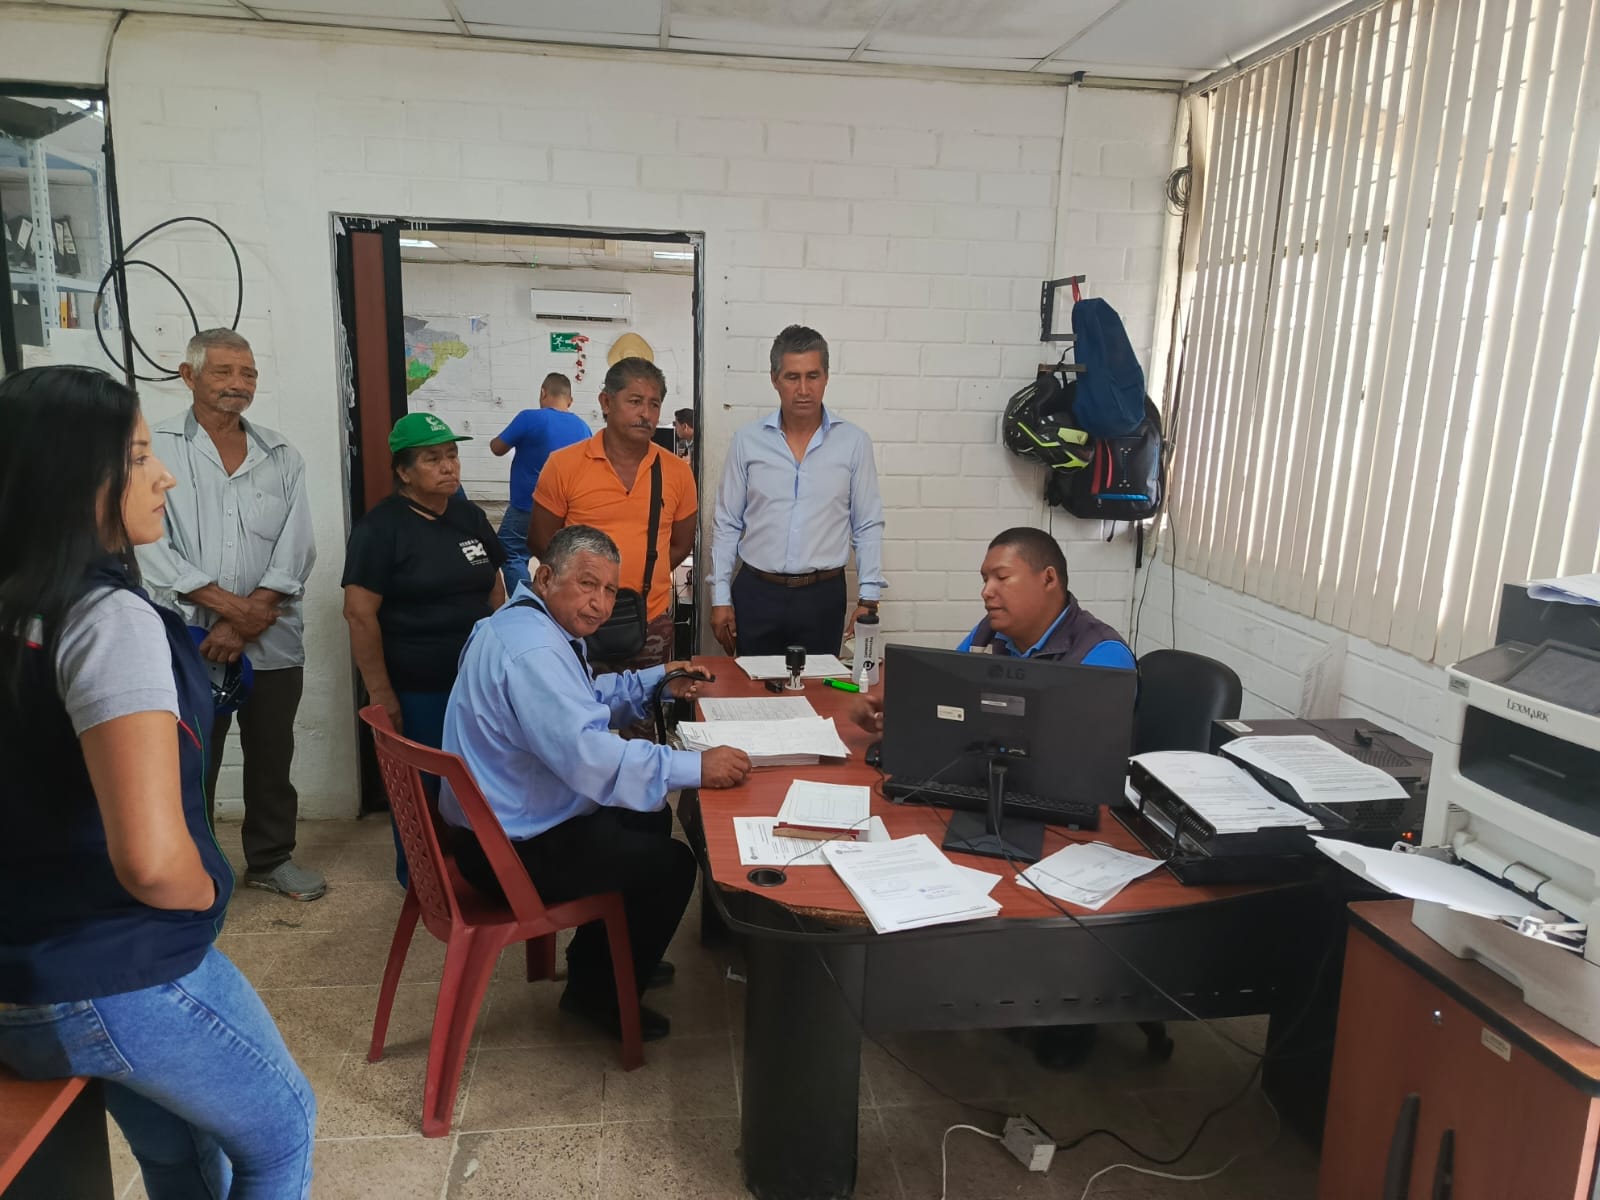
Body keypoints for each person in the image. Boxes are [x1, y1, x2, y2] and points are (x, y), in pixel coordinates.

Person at [0, 365, 316, 1197]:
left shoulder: (20, 605)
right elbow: (148, 860)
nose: (163, 476)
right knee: (283, 1133)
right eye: (140, 456)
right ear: (76, 477)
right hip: (113, 969)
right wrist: (202, 891)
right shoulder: (106, 621)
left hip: (26, 966)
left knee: (180, 1154)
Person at [440, 525, 752, 1042]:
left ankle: (605, 961)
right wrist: (697, 768)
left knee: (649, 816)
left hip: (499, 822)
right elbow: (591, 758)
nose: (600, 604)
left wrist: (658, 678)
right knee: (673, 866)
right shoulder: (535, 652)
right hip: (508, 851)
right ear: (545, 578)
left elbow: (581, 698)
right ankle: (597, 996)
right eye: (587, 584)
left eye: (609, 590)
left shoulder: (524, 624)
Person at [850, 526, 1133, 1071]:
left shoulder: (1101, 654)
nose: (986, 591)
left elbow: (1086, 768)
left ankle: (1069, 1006)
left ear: (1048, 579)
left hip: (1068, 828)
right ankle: (965, 979)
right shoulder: (989, 637)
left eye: (1001, 577)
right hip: (993, 798)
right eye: (984, 579)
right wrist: (891, 706)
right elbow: (947, 700)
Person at [136, 328, 323, 902]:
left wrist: (247, 616)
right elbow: (150, 548)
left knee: (272, 754)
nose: (238, 384)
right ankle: (192, 866)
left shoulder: (280, 454)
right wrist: (231, 612)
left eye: (248, 374)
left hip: (271, 633)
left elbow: (297, 547)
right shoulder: (152, 448)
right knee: (192, 758)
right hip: (187, 636)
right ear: (188, 375)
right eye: (223, 371)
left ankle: (271, 859)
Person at [342, 412, 506, 888]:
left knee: (481, 779)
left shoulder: (469, 516)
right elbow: (359, 613)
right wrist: (381, 693)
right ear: (404, 471)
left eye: (452, 454)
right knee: (425, 784)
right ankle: (425, 883)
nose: (448, 466)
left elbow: (494, 588)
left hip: (477, 684)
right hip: (419, 687)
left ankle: (479, 875)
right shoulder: (381, 529)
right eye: (433, 458)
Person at [710, 324, 885, 658]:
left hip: (822, 598)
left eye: (812, 376)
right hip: (757, 593)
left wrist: (869, 598)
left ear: (826, 377)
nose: (803, 389)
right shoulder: (747, 442)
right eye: (792, 377)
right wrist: (720, 598)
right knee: (752, 686)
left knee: (818, 688)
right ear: (775, 379)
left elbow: (867, 525)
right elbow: (727, 523)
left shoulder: (854, 443)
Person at [530, 357, 696, 682]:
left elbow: (680, 544)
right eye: (634, 401)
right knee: (577, 708)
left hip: (648, 621)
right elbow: (540, 541)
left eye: (654, 404)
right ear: (606, 402)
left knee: (646, 708)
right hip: (577, 622)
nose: (645, 413)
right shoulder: (564, 465)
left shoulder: (677, 472)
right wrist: (587, 587)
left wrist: (643, 576)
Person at [489, 372, 589, 591]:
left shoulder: (529, 418)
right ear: (570, 400)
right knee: (556, 556)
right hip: (567, 508)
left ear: (543, 392)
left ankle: (527, 601)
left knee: (511, 551)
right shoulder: (584, 428)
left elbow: (497, 448)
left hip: (529, 505)